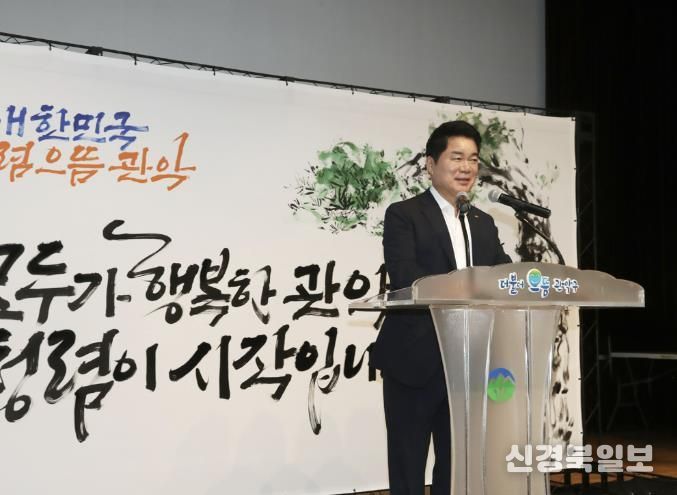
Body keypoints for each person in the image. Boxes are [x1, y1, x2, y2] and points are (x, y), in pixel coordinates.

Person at [371, 120, 511, 495]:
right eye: (457, 157)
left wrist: (524, 282)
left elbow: (504, 276)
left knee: (456, 468)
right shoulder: (404, 214)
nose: (467, 167)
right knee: (408, 468)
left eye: (474, 159)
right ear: (431, 164)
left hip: (467, 364)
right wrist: (470, 287)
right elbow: (406, 276)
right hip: (415, 359)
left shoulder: (482, 222)